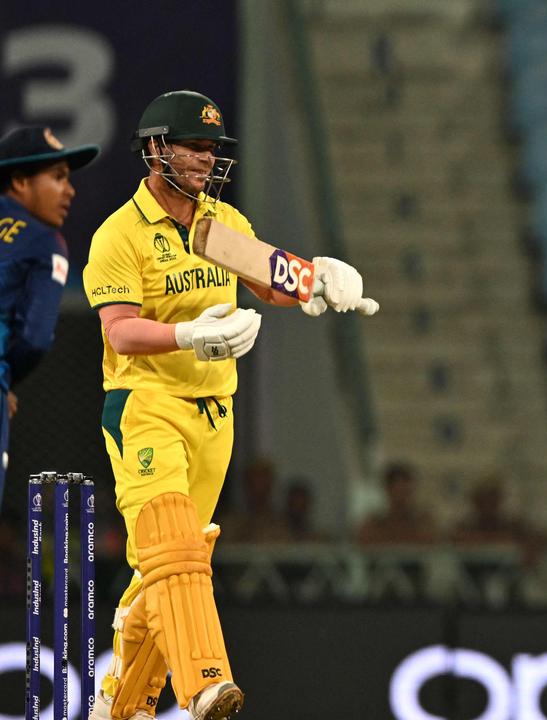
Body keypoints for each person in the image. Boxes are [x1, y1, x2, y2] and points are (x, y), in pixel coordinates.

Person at [84, 90, 375, 720]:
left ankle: (120, 706)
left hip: (214, 413)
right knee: (175, 548)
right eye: (195, 146)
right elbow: (120, 332)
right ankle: (205, 684)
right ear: (156, 147)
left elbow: (269, 281)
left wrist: (316, 278)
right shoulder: (120, 236)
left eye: (213, 149)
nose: (206, 159)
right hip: (145, 403)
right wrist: (188, 335)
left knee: (160, 572)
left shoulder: (220, 224)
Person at [0, 127, 98, 508]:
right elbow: (36, 336)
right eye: (58, 177)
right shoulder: (44, 242)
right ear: (20, 181)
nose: (69, 190)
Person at [357, 461, 436, 545]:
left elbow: (432, 543)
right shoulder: (373, 525)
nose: (401, 497)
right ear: (387, 490)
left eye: (406, 491)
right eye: (397, 491)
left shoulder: (424, 524)